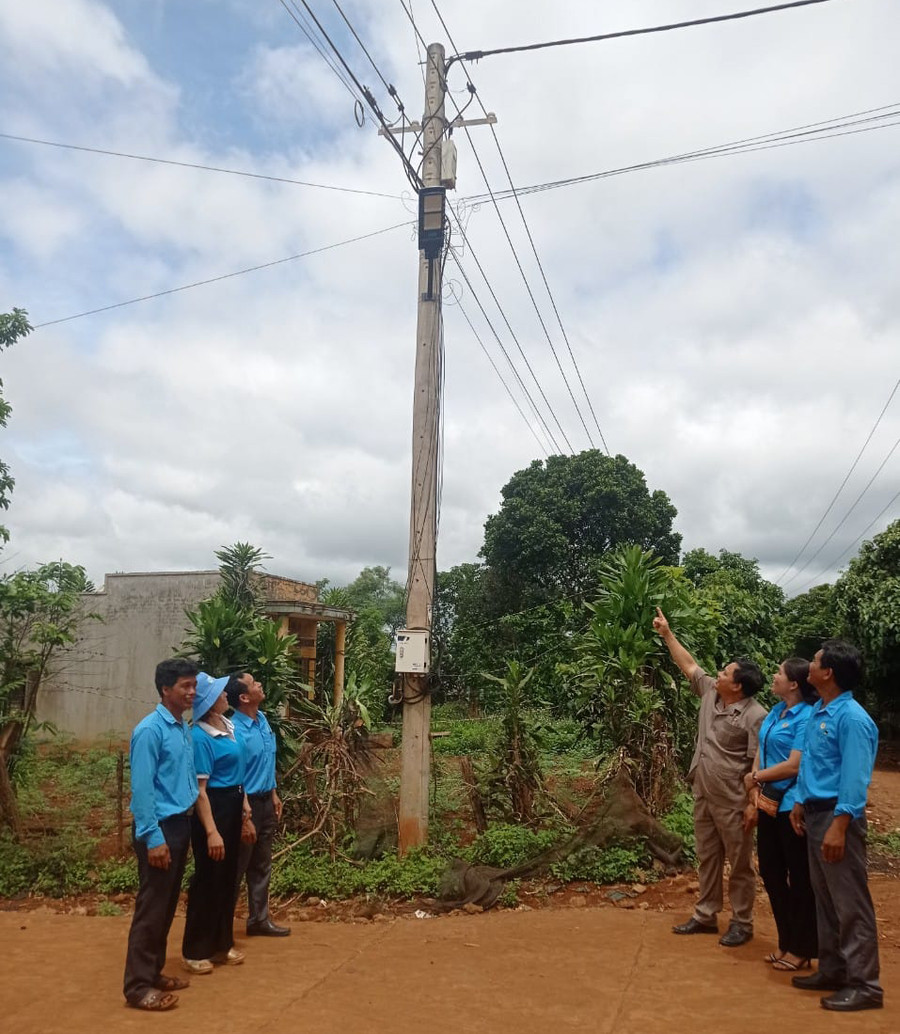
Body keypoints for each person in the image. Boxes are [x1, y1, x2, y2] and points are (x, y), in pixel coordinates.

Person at [652, 607, 767, 947]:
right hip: (704, 793)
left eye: (726, 672)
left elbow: (757, 765)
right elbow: (688, 665)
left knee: (741, 863)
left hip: (734, 801)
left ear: (739, 686)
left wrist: (752, 804)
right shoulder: (710, 694)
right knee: (708, 856)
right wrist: (667, 634)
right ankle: (706, 914)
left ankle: (742, 922)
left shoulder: (755, 716)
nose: (718, 673)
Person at [790, 640, 883, 1012]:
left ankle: (866, 985)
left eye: (813, 661)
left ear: (827, 672)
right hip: (814, 813)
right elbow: (812, 762)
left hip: (835, 816)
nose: (808, 666)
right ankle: (833, 969)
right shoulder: (818, 712)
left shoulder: (853, 719)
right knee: (825, 898)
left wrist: (840, 824)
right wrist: (799, 801)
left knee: (850, 903)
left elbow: (854, 776)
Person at [123, 658, 199, 1012]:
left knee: (167, 905)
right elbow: (142, 792)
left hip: (180, 825)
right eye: (185, 686)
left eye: (193, 685)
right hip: (160, 828)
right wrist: (153, 837)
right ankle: (137, 987)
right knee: (152, 907)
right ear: (165, 689)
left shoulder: (181, 728)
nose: (192, 692)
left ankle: (153, 972)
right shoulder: (150, 730)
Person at [743, 658, 818, 971]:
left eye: (779, 673)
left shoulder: (807, 717)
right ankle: (786, 942)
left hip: (792, 808)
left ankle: (802, 948)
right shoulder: (775, 712)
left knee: (799, 878)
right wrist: (754, 782)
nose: (773, 676)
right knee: (772, 874)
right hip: (768, 804)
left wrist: (757, 778)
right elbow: (761, 752)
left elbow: (794, 764)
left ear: (794, 684)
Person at [181, 672, 256, 974]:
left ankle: (221, 944)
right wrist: (212, 832)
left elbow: (238, 774)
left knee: (227, 878)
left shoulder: (227, 726)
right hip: (213, 808)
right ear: (211, 702)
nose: (228, 695)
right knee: (208, 878)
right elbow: (201, 791)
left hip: (234, 801)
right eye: (222, 693)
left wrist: (245, 807)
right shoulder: (199, 737)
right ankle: (195, 949)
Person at [228, 671, 291, 937]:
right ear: (244, 697)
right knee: (236, 867)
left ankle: (258, 920)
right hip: (246, 805)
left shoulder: (263, 719)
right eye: (254, 683)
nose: (260, 684)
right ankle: (220, 926)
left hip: (266, 801)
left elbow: (267, 761)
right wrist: (244, 812)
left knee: (262, 864)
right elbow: (235, 772)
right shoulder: (234, 730)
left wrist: (274, 793)